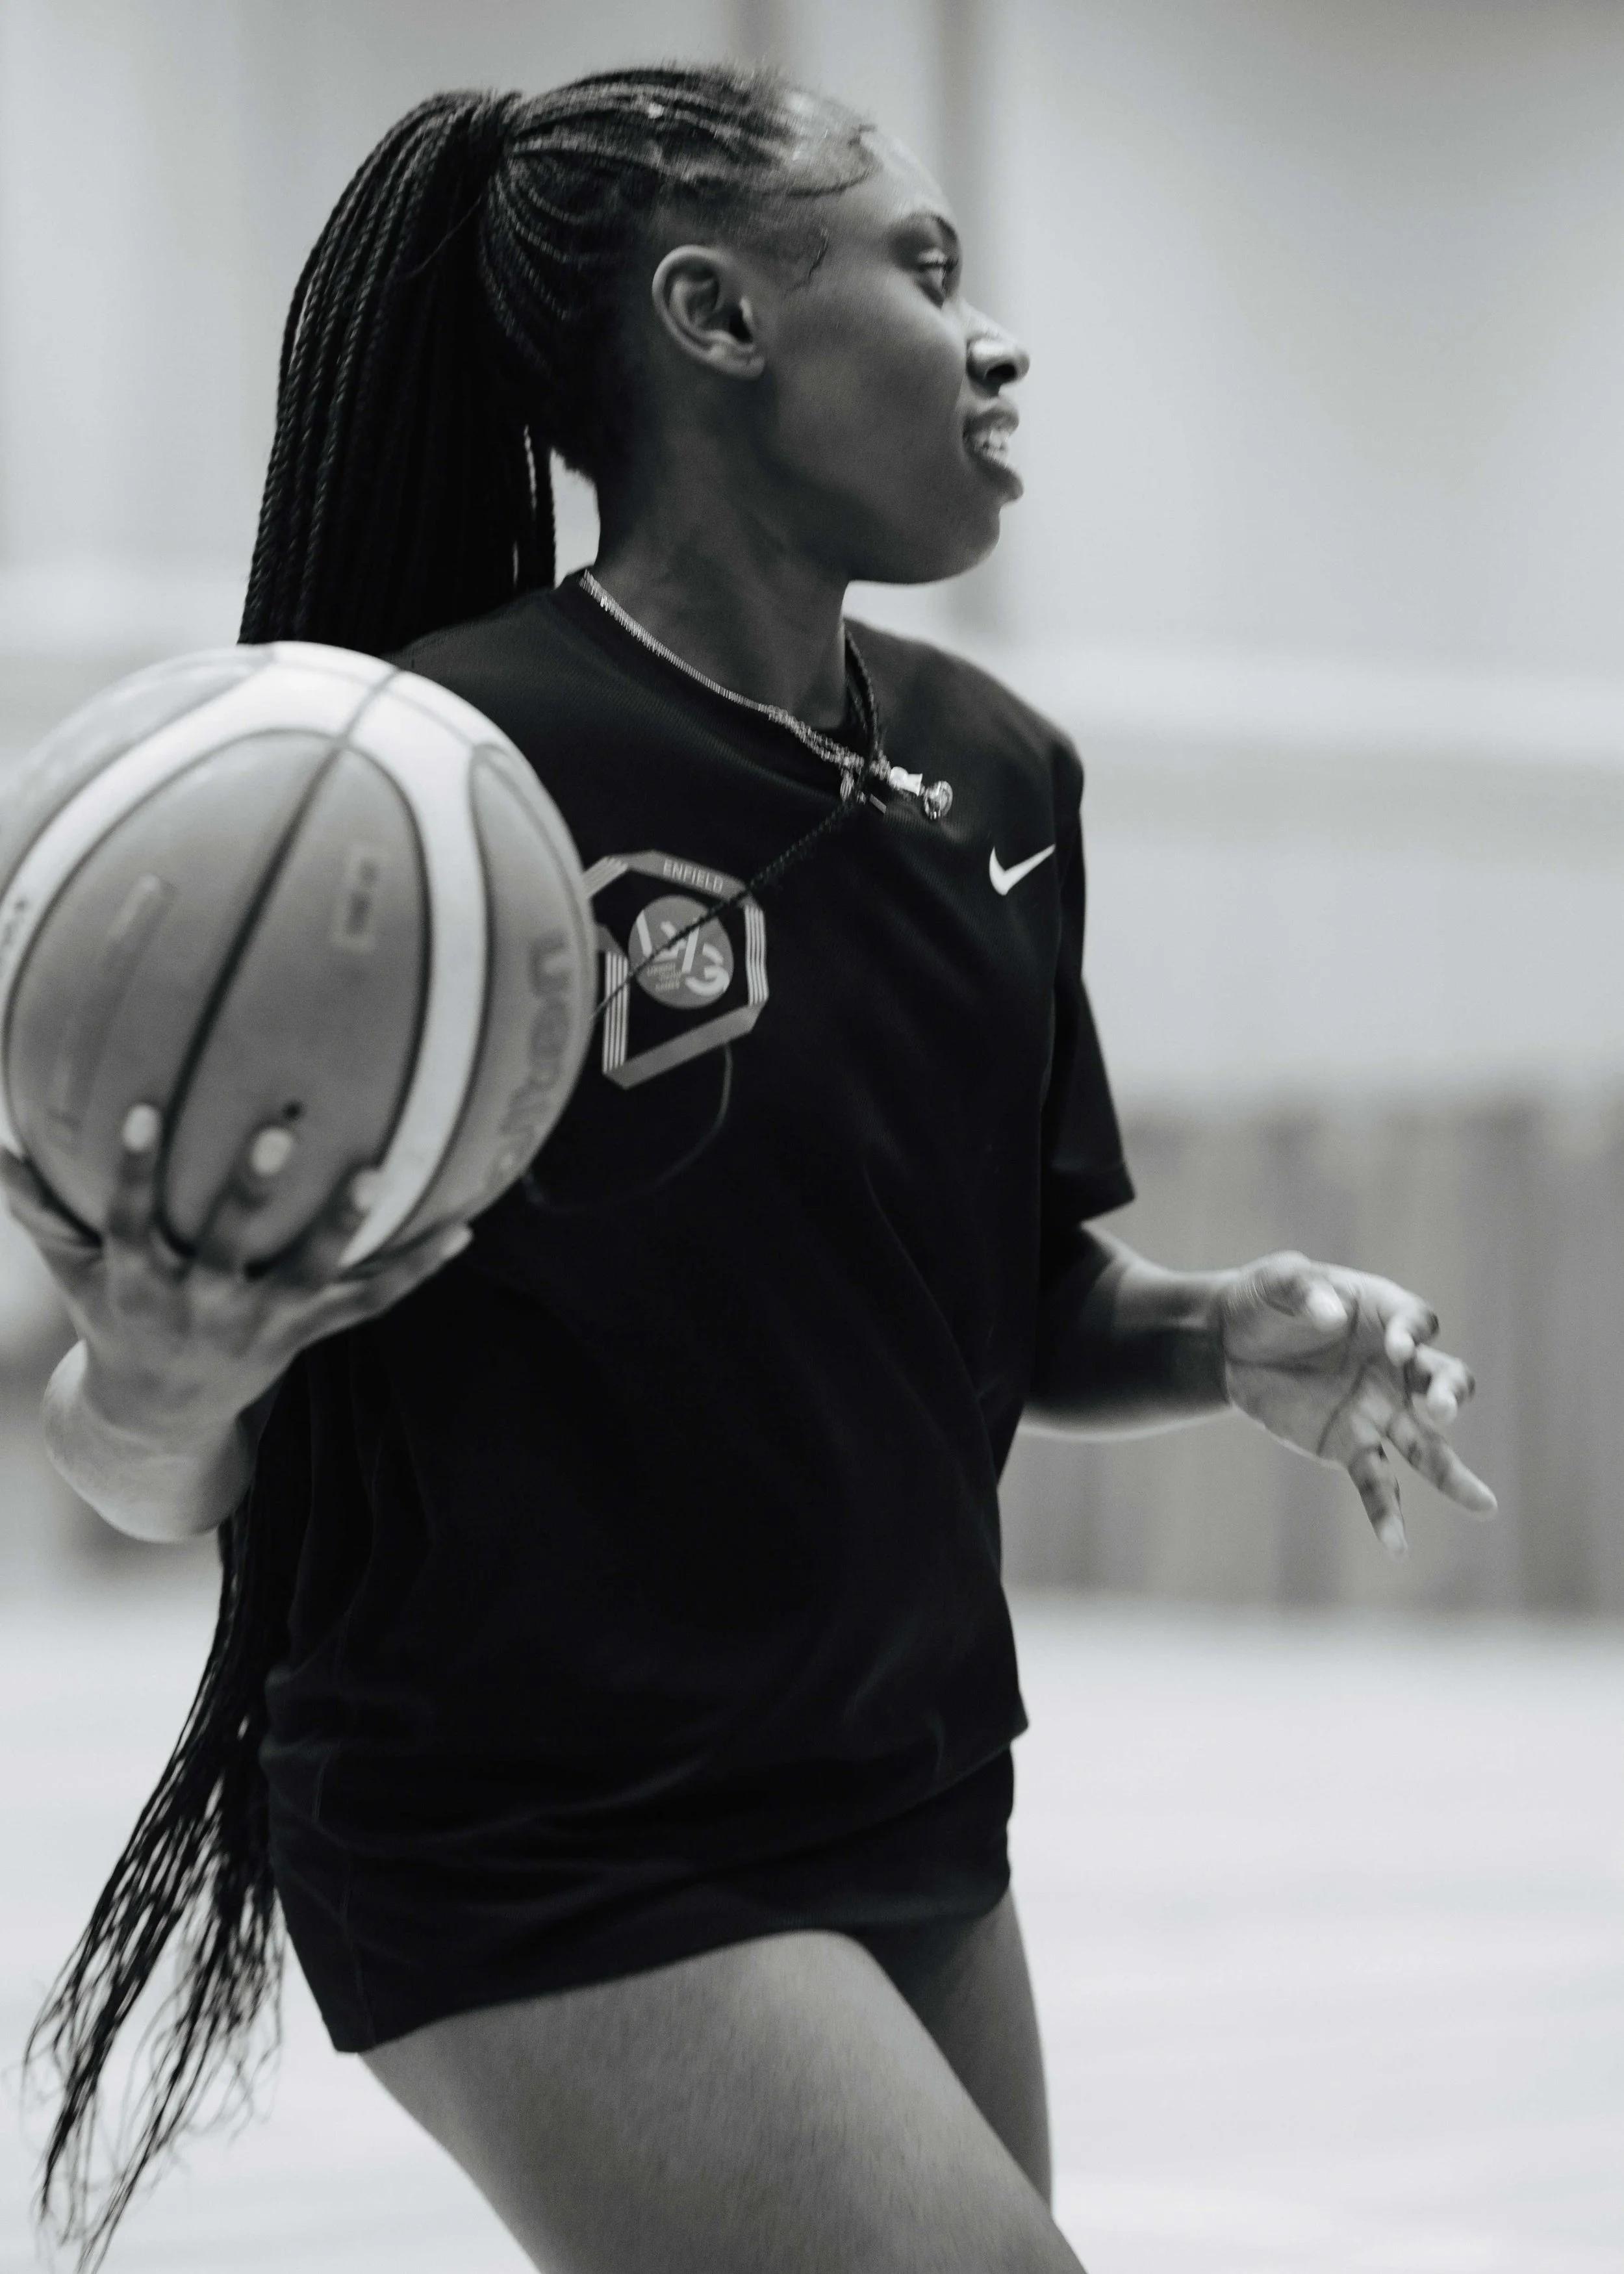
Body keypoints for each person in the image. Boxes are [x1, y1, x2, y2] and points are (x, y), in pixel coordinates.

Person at [1, 66, 1495, 2274]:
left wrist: (1214, 1333)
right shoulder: (421, 792)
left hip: (902, 1784)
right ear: (714, 319)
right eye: (923, 269)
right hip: (536, 1826)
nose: (989, 341)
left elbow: (1019, 1296)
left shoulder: (1003, 769)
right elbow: (145, 1457)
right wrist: (157, 1364)